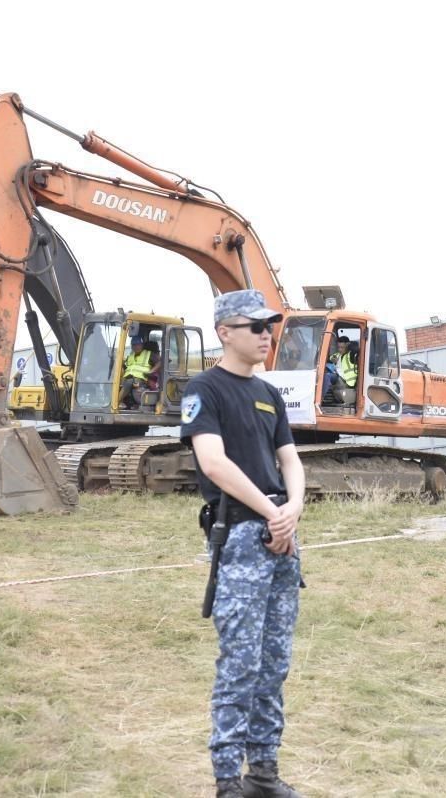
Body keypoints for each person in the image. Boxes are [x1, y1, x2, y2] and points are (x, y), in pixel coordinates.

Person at [181, 288, 305, 798]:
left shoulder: (270, 393)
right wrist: (273, 512)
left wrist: (292, 510)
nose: (265, 334)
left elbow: (291, 461)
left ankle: (264, 774)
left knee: (274, 664)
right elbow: (213, 463)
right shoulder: (205, 390)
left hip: (282, 538)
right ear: (224, 332)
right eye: (254, 326)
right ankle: (228, 781)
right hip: (242, 539)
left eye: (268, 326)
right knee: (240, 664)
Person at [120, 335, 161, 409]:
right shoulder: (130, 356)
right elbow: (126, 366)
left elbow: (162, 361)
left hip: (142, 379)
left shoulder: (149, 354)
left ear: (142, 345)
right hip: (128, 379)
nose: (136, 347)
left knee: (129, 382)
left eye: (138, 344)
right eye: (134, 345)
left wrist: (152, 371)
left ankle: (117, 402)